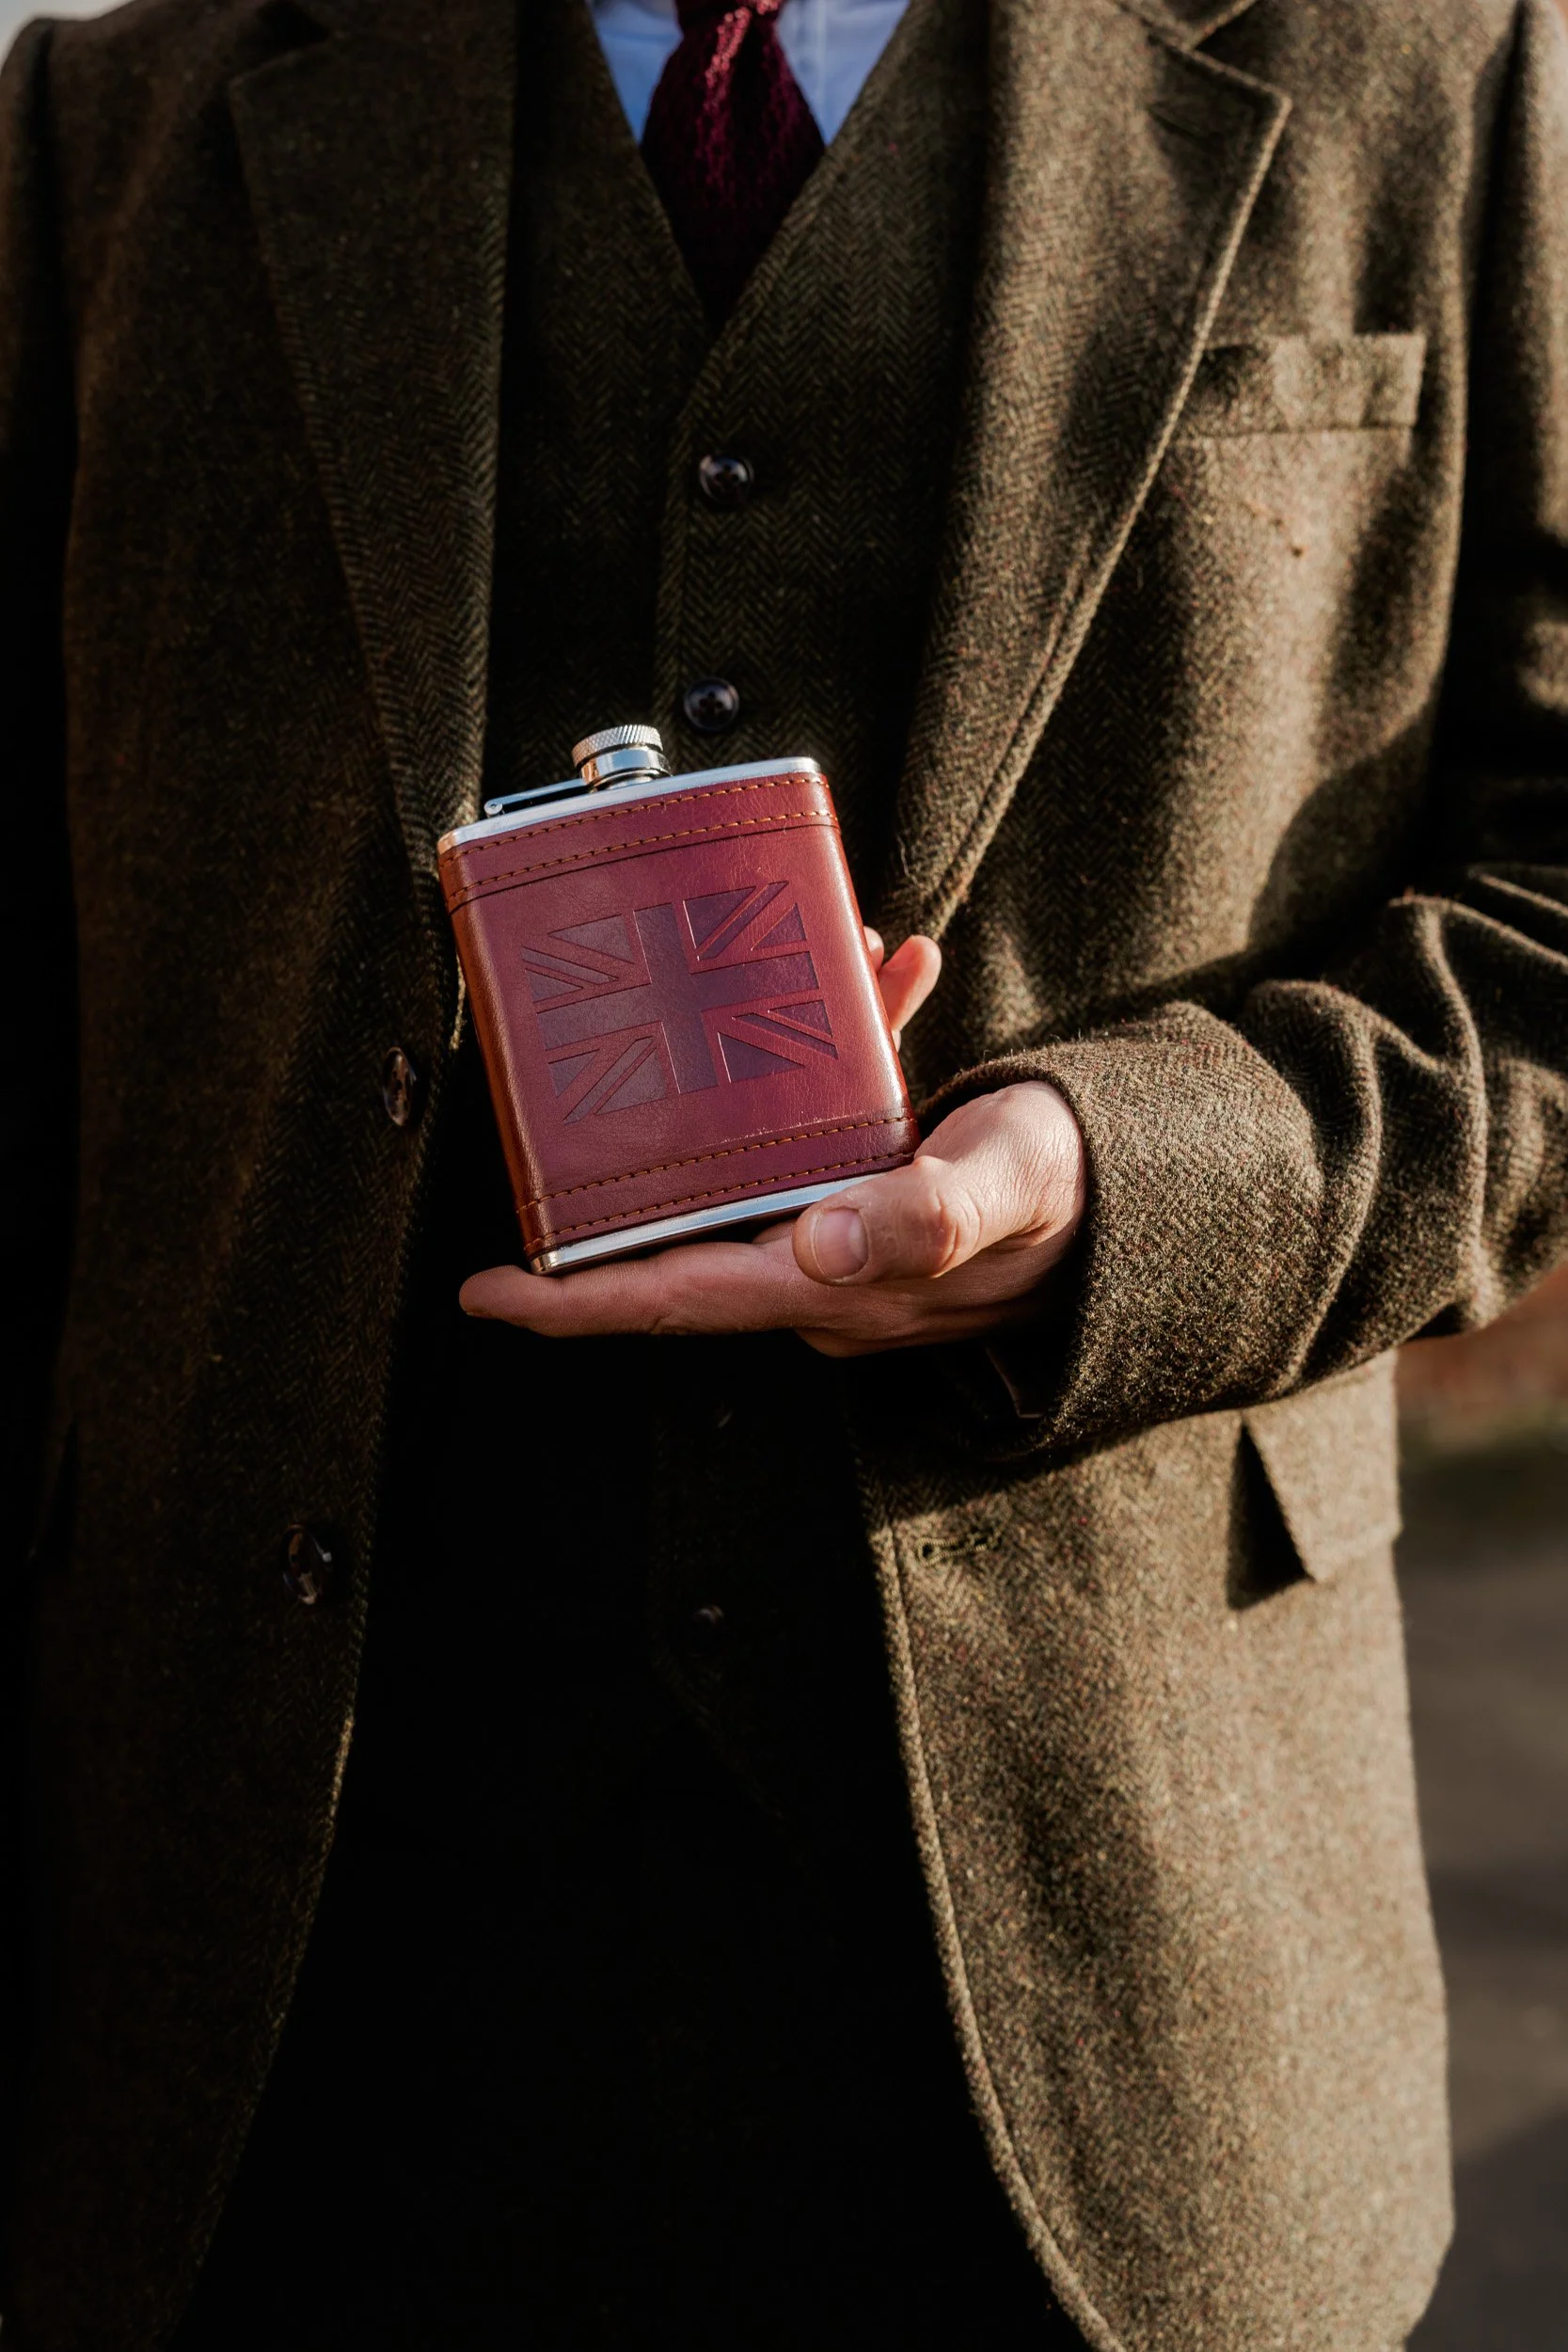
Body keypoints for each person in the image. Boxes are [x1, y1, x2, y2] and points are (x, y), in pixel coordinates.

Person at [3, 0, 1567, 2341]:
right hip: (269, 2012)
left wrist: (1130, 1188)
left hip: (1114, 2009)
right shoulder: (109, 109)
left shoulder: (1445, 63)